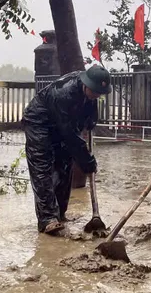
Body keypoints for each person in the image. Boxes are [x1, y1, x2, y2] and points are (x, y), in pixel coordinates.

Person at [22, 65, 110, 235]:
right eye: (94, 92)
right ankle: (48, 219)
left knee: (65, 166)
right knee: (42, 169)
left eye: (99, 93)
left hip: (61, 124)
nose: (96, 96)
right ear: (86, 85)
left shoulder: (90, 91)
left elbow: (88, 118)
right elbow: (69, 135)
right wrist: (88, 162)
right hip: (39, 123)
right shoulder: (63, 93)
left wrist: (89, 123)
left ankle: (60, 215)